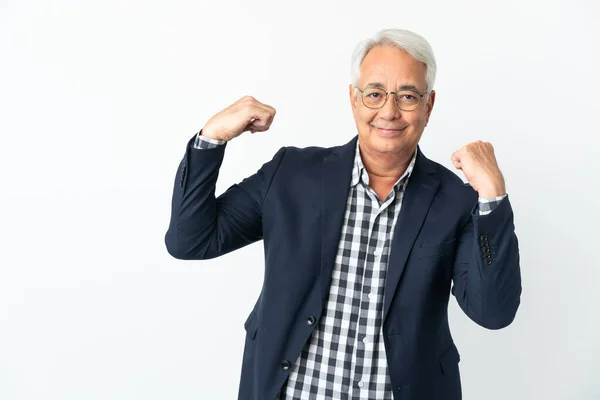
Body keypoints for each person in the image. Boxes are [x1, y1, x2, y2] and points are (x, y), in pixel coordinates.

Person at [165, 28, 522, 400]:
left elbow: (493, 313)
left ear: (428, 106)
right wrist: (212, 138)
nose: (389, 110)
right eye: (374, 94)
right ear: (353, 99)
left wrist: (493, 196)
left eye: (408, 96)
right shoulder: (291, 173)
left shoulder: (456, 200)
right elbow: (191, 240)